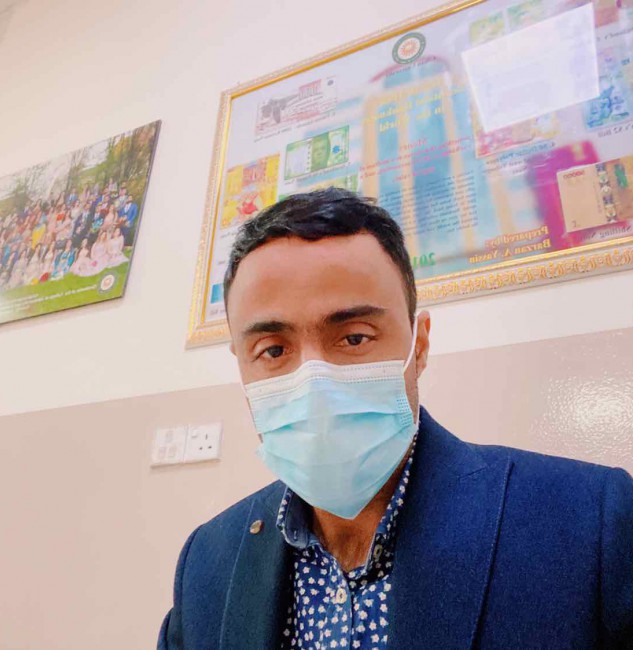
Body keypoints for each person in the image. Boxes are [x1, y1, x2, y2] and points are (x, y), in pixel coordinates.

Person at [158, 188, 633, 649]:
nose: (312, 381)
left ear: (419, 345)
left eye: (354, 338)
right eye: (273, 350)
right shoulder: (207, 562)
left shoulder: (589, 524)